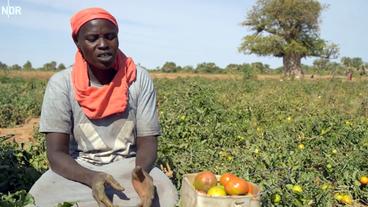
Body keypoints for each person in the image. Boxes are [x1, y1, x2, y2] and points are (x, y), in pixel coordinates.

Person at [29, 7, 178, 207]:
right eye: (92, 39)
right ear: (78, 43)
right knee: (40, 198)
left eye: (110, 37)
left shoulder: (138, 78)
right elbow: (56, 154)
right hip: (79, 170)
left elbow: (148, 141)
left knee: (165, 193)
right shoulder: (61, 83)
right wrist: (91, 178)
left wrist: (141, 174)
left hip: (130, 165)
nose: (103, 45)